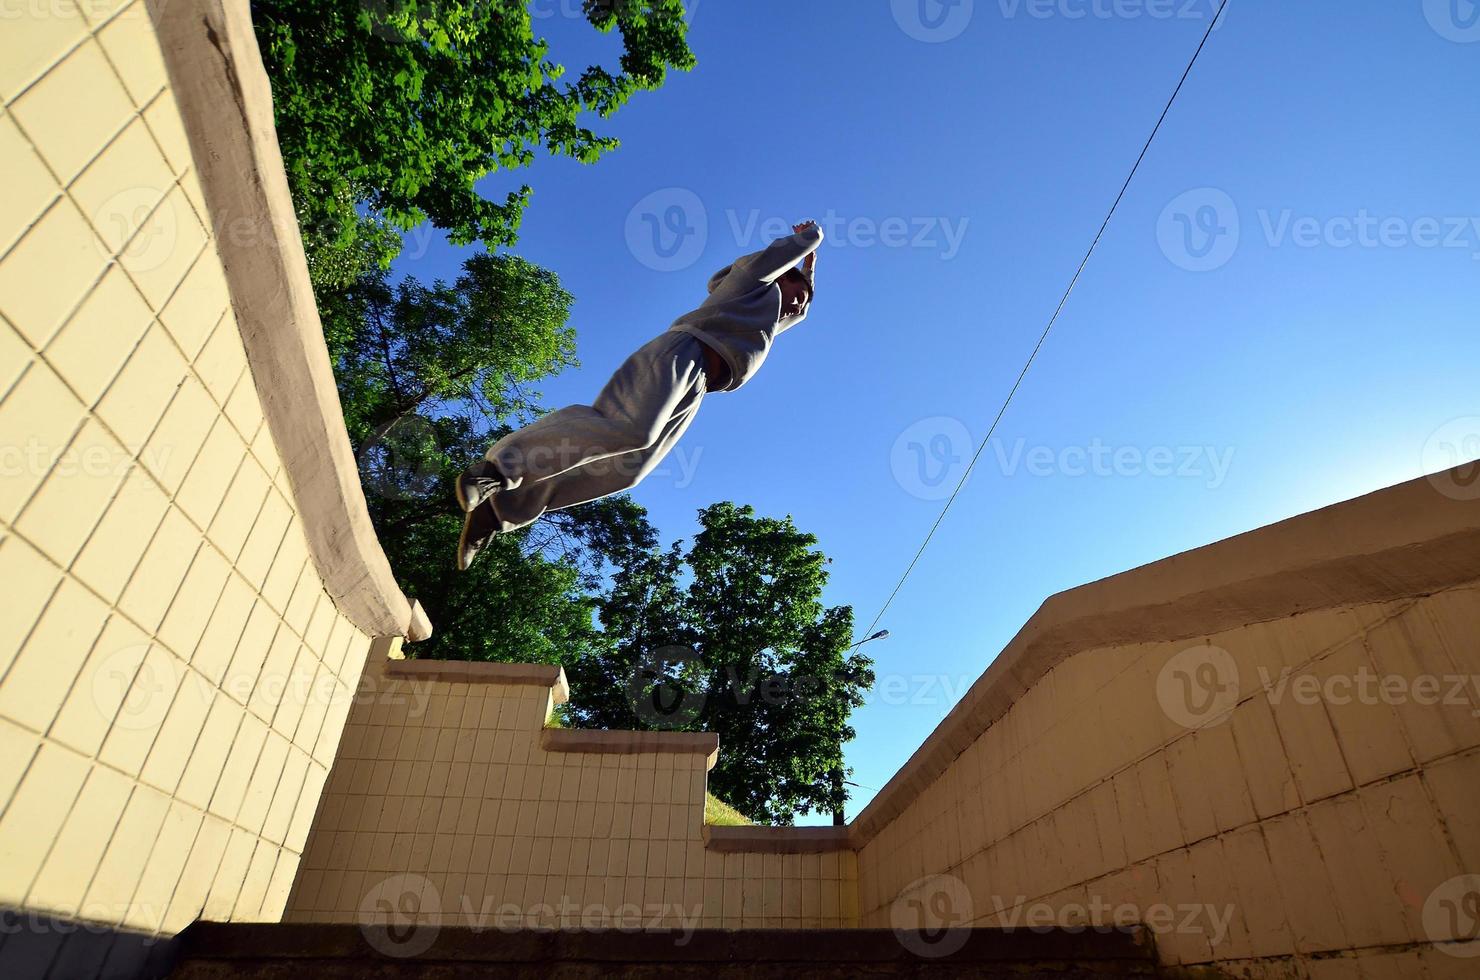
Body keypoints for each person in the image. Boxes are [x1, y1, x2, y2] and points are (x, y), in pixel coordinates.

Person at [454, 220, 825, 569]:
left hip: (698, 388)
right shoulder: (750, 281)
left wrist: (811, 269)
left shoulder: (767, 324)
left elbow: (800, 314)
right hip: (683, 354)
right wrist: (812, 238)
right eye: (798, 295)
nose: (799, 307)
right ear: (780, 277)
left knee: (630, 469)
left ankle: (498, 512)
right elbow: (781, 257)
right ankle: (495, 471)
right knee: (630, 428)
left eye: (805, 303)